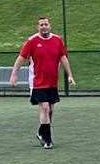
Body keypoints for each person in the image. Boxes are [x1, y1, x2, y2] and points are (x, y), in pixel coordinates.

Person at [11, 16, 75, 148]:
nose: (44, 26)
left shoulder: (57, 40)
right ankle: (47, 140)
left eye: (46, 24)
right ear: (38, 27)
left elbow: (63, 58)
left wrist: (70, 75)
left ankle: (41, 131)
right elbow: (21, 58)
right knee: (45, 108)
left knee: (50, 110)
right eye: (41, 25)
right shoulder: (32, 41)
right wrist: (14, 74)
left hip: (52, 82)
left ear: (49, 26)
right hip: (37, 82)